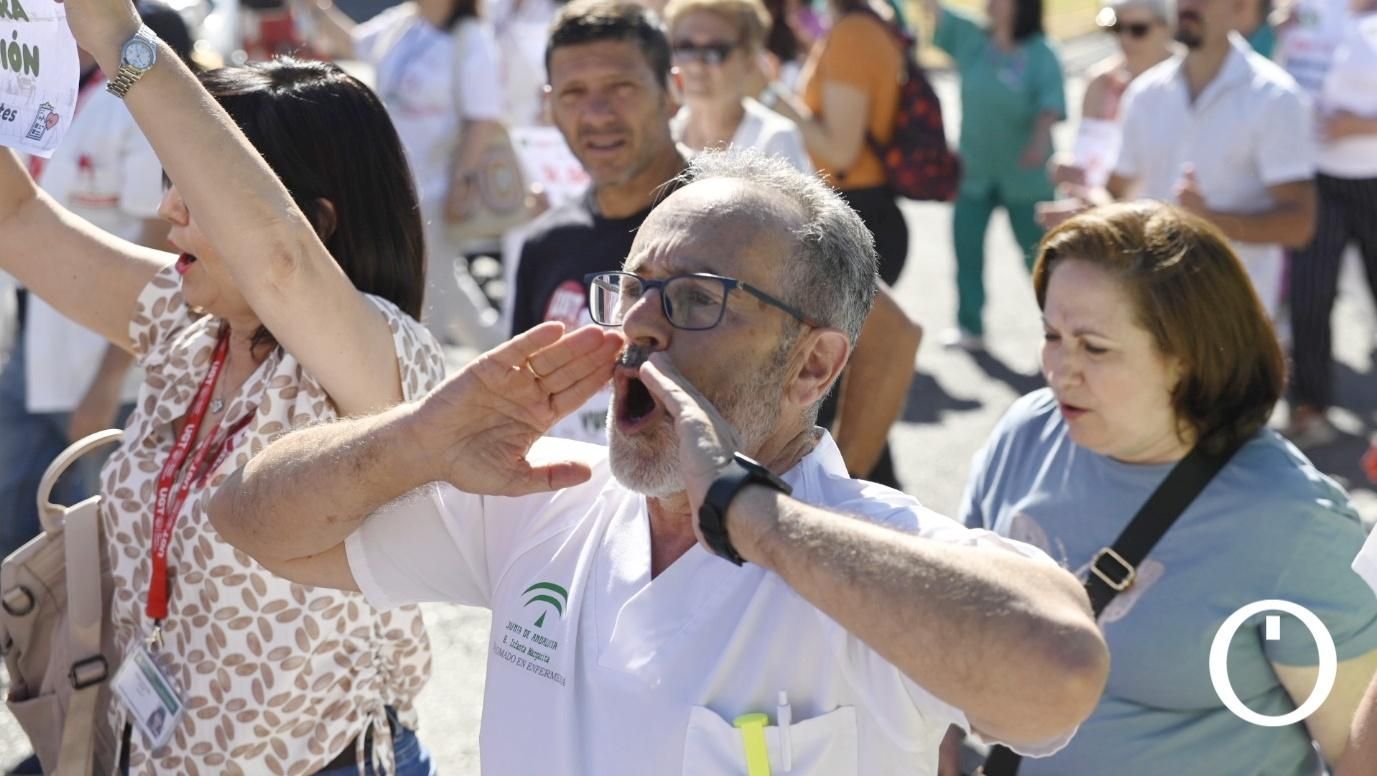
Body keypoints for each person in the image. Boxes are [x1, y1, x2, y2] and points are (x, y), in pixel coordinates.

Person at [208, 148, 1109, 776]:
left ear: (813, 365)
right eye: (633, 288)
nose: (638, 325)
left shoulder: (873, 543)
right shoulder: (545, 495)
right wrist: (421, 435)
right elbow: (249, 520)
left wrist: (747, 514)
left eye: (695, 299)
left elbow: (1059, 679)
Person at [0, 2, 443, 768]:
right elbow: (13, 219)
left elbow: (278, 259)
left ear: (319, 221)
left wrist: (117, 36)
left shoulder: (386, 359)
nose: (166, 209)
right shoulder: (187, 322)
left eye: (195, 194)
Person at [959, 202, 1377, 773]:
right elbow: (954, 618)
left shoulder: (1291, 521)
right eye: (1051, 334)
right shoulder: (1027, 432)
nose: (1060, 368)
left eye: (1094, 346)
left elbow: (1357, 750)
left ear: (1185, 357)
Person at [509, 0, 919, 483]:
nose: (597, 113)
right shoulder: (545, 242)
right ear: (550, 105)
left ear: (673, 91)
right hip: (617, 536)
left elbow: (892, 337)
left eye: (622, 87)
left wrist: (821, 495)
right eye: (574, 92)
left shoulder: (739, 216)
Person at [1041, 0, 1318, 323]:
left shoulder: (1276, 98)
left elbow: (1300, 225)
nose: (1188, 5)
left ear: (1239, 7)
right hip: (1151, 310)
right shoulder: (1145, 94)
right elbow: (1115, 191)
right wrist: (1090, 208)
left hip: (1235, 319)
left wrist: (1213, 223)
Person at [300, 0, 505, 349]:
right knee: (443, 284)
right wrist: (315, 8)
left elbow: (482, 120)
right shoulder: (404, 23)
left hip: (438, 187)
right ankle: (506, 356)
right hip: (393, 182)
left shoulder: (471, 38)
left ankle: (426, 369)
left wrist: (462, 183)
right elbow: (352, 43)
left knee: (429, 287)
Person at [923, 0, 1065, 352]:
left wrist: (1038, 139)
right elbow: (934, 10)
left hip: (1026, 174)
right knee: (966, 246)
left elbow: (1050, 105)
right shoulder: (973, 39)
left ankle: (1063, 327)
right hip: (975, 170)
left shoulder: (1041, 52)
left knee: (1041, 256)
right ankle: (969, 325)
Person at [1280, 0, 1377, 447]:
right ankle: (1310, 404)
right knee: (1311, 294)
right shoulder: (1306, 9)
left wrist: (1360, 125)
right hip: (1317, 178)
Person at [767, 0, 911, 288]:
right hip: (854, 211)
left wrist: (768, 94)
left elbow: (841, 152)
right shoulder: (856, 24)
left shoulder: (854, 33)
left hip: (858, 216)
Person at [665, 0, 813, 172]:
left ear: (749, 60)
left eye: (716, 50)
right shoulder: (664, 136)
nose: (697, 64)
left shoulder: (775, 139)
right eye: (685, 47)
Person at [1050, 0, 1173, 191]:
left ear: (1167, 27)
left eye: (1138, 29)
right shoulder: (1099, 81)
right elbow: (1086, 153)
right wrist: (1070, 168)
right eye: (1116, 28)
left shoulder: (1186, 81)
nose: (1124, 38)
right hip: (1107, 209)